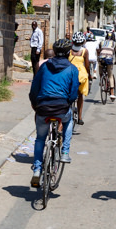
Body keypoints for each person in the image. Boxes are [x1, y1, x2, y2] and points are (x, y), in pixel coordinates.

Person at [28, 38, 79, 188]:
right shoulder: (72, 69)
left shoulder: (44, 67)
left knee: (40, 139)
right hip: (61, 108)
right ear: (69, 52)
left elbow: (34, 89)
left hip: (43, 108)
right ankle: (65, 152)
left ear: (54, 52)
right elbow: (73, 92)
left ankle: (37, 171)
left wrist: (35, 104)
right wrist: (68, 102)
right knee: (69, 121)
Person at [68, 32, 92, 125]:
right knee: (80, 95)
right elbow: (87, 66)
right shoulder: (84, 51)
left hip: (69, 74)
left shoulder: (69, 50)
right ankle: (80, 117)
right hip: (80, 75)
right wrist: (89, 75)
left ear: (73, 41)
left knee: (68, 94)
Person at [98, 36, 116, 101]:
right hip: (109, 59)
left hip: (101, 58)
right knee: (110, 75)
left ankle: (101, 79)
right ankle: (112, 92)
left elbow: (99, 50)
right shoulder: (114, 43)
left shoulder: (101, 42)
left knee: (100, 66)